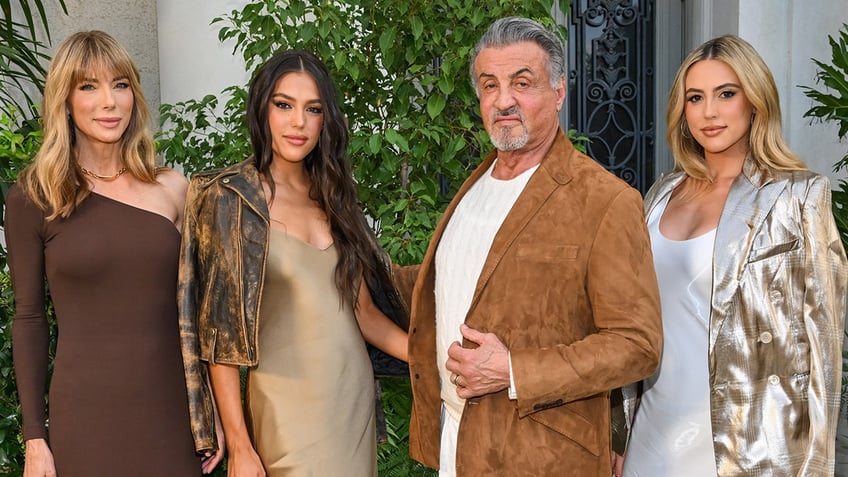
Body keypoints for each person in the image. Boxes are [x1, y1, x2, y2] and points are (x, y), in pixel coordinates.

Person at [396, 16, 663, 476]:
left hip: (542, 458)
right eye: (489, 84)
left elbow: (637, 344)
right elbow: (456, 286)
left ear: (559, 92)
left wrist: (514, 370)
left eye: (523, 82)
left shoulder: (605, 200)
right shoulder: (474, 187)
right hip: (457, 446)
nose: (504, 100)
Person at [619, 35, 848, 476]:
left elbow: (824, 349)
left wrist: (814, 465)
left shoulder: (797, 197)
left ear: (755, 99)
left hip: (748, 444)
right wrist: (617, 433)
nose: (709, 111)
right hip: (650, 431)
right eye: (695, 97)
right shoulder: (660, 194)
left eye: (726, 94)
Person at [178, 49, 410, 477]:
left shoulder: (335, 198)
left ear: (326, 121)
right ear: (262, 108)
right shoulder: (231, 198)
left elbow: (364, 314)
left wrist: (433, 356)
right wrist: (241, 448)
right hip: (284, 411)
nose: (298, 122)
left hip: (350, 403)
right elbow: (220, 339)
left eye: (313, 109)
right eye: (284, 105)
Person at [4, 31, 220, 476]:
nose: (109, 102)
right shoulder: (34, 198)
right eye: (89, 86)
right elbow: (28, 318)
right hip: (83, 418)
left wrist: (211, 411)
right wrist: (35, 438)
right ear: (64, 100)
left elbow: (197, 316)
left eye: (120, 84)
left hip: (171, 414)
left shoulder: (174, 189)